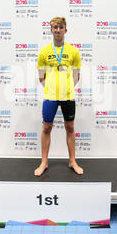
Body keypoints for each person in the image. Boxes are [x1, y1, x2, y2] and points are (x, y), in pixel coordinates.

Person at [35, 17, 83, 176]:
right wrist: (52, 88)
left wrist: (65, 88)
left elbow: (77, 76)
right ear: (51, 30)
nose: (57, 30)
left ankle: (72, 161)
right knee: (47, 127)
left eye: (60, 27)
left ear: (65, 30)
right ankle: (44, 162)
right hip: (50, 96)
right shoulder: (44, 52)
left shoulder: (74, 51)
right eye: (54, 27)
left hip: (68, 96)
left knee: (70, 127)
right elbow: (41, 77)